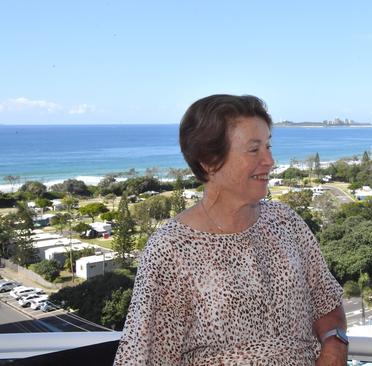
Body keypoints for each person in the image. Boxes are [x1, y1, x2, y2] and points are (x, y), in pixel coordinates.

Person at [114, 94, 348, 365]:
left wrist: (335, 344)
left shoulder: (286, 223)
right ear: (209, 161)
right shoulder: (171, 251)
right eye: (254, 149)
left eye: (268, 147)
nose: (269, 161)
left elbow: (327, 302)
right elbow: (144, 356)